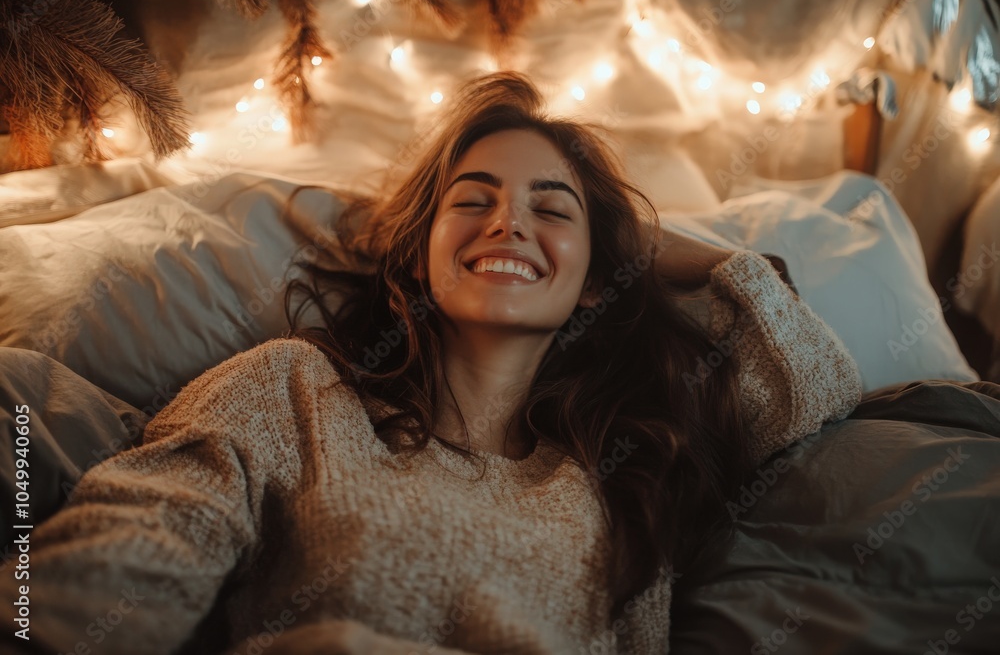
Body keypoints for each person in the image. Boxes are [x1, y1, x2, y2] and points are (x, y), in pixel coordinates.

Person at [0, 71, 862, 654]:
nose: (508, 222)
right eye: (473, 201)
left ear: (598, 282)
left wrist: (651, 247)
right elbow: (128, 555)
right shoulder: (291, 389)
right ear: (418, 258)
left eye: (549, 209)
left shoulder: (621, 471)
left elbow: (823, 384)